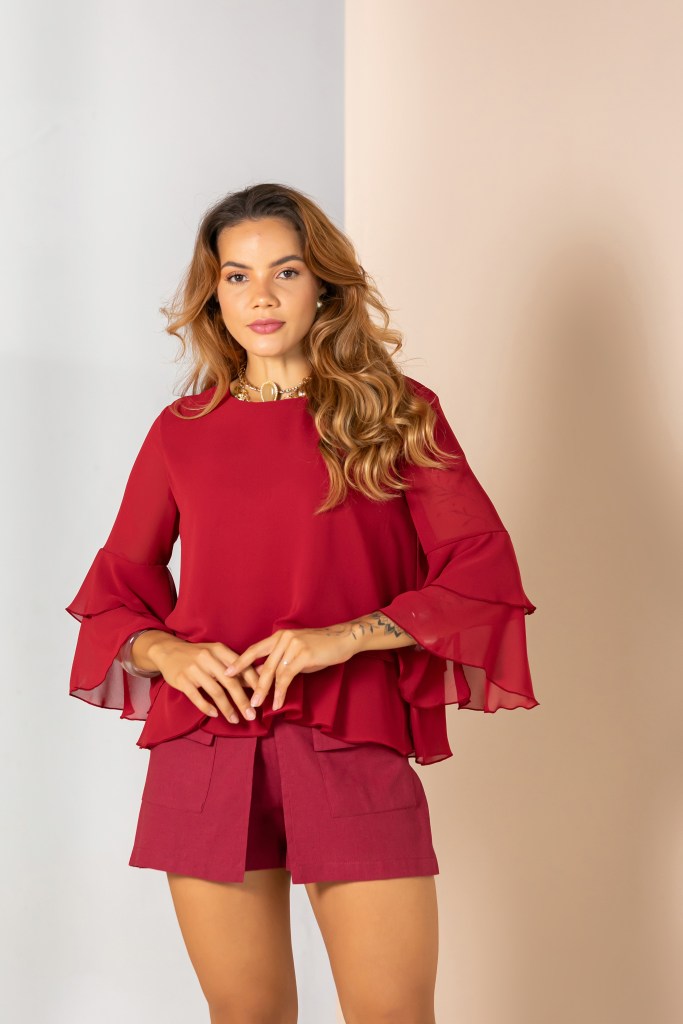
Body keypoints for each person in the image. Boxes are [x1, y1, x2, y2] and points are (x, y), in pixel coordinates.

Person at [65, 182, 539, 1024]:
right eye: (237, 276)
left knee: (392, 1014)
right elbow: (116, 592)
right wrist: (169, 652)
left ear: (321, 284)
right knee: (245, 1016)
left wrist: (344, 637)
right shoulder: (181, 430)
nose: (261, 296)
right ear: (214, 294)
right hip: (205, 741)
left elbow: (479, 569)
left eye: (284, 271)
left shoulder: (395, 414)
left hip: (350, 730)